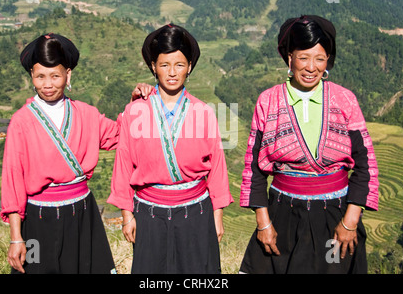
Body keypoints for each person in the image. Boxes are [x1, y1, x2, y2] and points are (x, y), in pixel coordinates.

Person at [0, 33, 153, 274]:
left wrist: (136, 105)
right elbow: (12, 181)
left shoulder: (87, 114)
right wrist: (16, 237)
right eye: (40, 76)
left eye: (55, 76)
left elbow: (121, 136)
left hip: (82, 214)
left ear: (68, 75)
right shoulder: (21, 122)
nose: (47, 84)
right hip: (37, 221)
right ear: (32, 76)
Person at [238, 15, 379, 274]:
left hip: (335, 219)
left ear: (328, 62)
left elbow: (365, 164)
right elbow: (253, 169)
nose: (311, 67)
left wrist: (350, 222)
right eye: (303, 57)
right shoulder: (268, 102)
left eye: (320, 58)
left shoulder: (344, 100)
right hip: (282, 217)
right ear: (289, 58)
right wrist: (263, 223)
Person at [107, 24, 234, 274]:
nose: (172, 72)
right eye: (164, 65)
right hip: (149, 214)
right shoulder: (135, 111)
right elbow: (123, 164)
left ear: (189, 67)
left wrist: (216, 217)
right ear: (153, 67)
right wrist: (127, 214)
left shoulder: (204, 113)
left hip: (196, 214)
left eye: (179, 64)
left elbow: (217, 166)